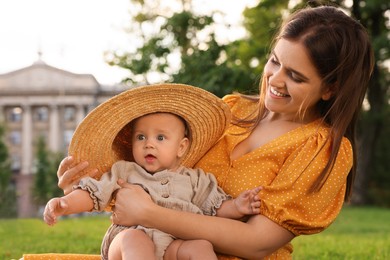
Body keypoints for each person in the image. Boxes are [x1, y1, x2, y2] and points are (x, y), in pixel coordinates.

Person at [54, 5, 374, 260]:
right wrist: (86, 181)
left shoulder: (321, 148)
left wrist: (150, 214)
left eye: (295, 76)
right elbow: (155, 177)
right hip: (157, 249)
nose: (275, 80)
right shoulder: (228, 111)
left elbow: (256, 243)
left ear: (330, 89)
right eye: (274, 62)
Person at [43, 84, 262, 260]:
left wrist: (237, 206)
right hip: (127, 243)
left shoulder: (195, 179)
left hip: (172, 245)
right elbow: (94, 194)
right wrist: (66, 204)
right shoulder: (125, 171)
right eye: (141, 137)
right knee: (135, 240)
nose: (149, 144)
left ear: (181, 147)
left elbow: (215, 206)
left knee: (200, 247)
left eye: (160, 138)